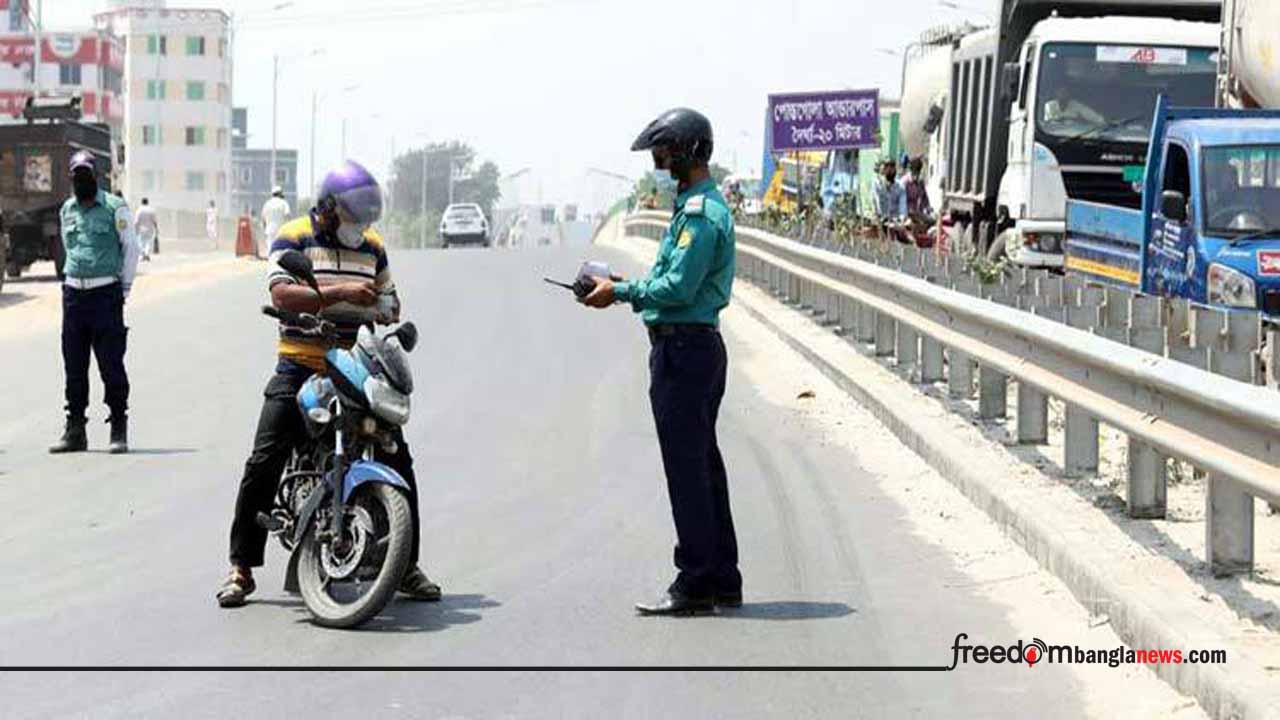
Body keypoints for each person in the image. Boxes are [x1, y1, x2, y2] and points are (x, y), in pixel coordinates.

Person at [217, 160, 441, 608]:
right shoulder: (294, 236)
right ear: (328, 208)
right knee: (265, 457)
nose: (362, 226)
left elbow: (391, 301)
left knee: (399, 456)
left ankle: (405, 565)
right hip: (301, 361)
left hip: (356, 363)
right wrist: (337, 294)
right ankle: (241, 566)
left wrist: (384, 309)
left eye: (367, 217)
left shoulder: (373, 247)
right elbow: (281, 293)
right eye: (355, 215)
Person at [580, 108, 741, 616]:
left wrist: (620, 291)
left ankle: (695, 583)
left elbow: (678, 286)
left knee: (687, 471)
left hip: (685, 351)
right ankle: (721, 577)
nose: (658, 159)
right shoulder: (694, 205)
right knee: (704, 465)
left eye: (665, 150)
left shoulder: (699, 214)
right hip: (692, 348)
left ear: (689, 150)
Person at [49, 151, 139, 455]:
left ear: (96, 176)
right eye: (76, 175)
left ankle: (118, 427)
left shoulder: (116, 208)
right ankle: (75, 430)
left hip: (106, 296)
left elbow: (130, 250)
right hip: (74, 296)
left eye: (85, 174)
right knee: (74, 365)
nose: (80, 179)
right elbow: (67, 244)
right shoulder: (67, 210)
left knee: (111, 364)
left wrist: (123, 289)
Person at [260, 185, 290, 258]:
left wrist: (264, 229)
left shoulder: (267, 203)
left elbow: (263, 218)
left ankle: (271, 260)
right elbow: (287, 215)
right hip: (281, 229)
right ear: (280, 193)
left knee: (270, 246)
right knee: (281, 249)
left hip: (270, 229)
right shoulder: (284, 203)